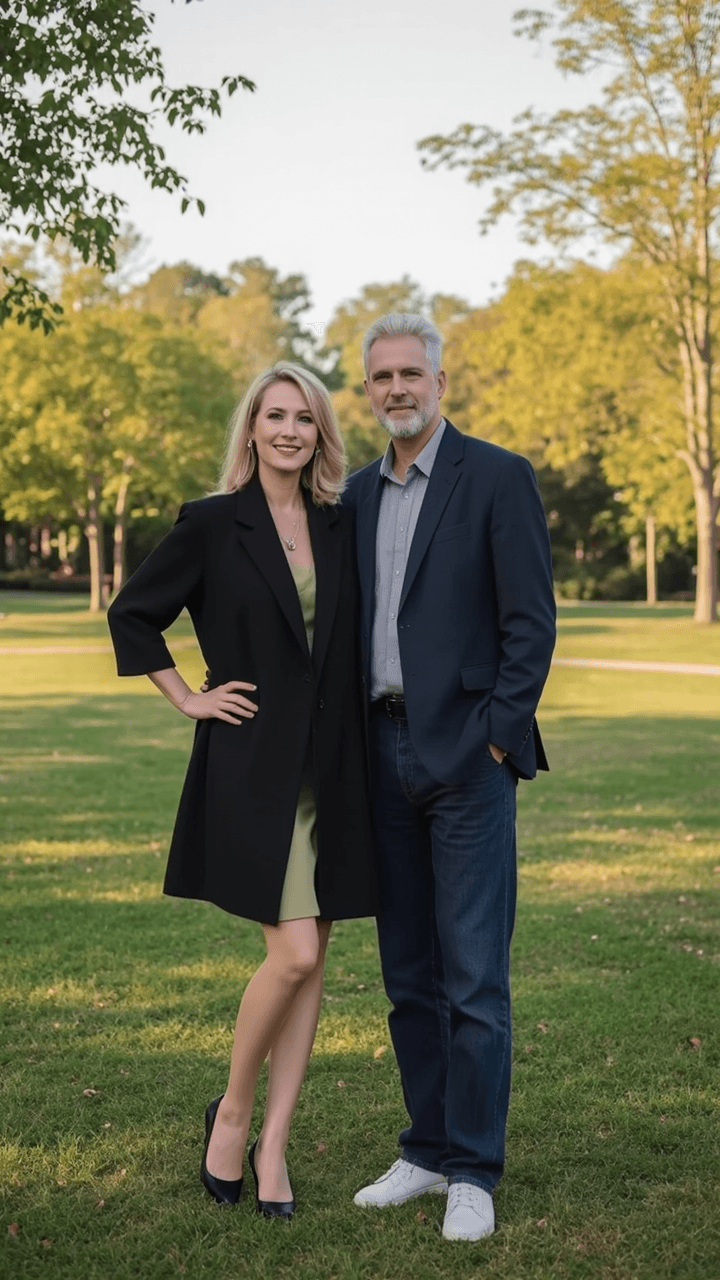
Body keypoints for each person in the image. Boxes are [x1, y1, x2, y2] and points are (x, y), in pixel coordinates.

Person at [107, 362, 376, 1219]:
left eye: (306, 418)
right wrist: (188, 695)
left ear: (321, 433)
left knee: (312, 962)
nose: (291, 431)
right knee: (292, 954)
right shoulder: (213, 524)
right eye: (276, 416)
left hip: (333, 768)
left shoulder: (341, 525)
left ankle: (274, 1148)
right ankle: (230, 1114)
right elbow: (133, 613)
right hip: (255, 767)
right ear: (252, 430)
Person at [343, 314, 556, 1242]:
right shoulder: (351, 496)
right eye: (381, 377)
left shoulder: (498, 477)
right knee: (408, 975)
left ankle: (473, 1168)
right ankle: (425, 1149)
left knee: (474, 978)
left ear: (439, 379)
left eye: (411, 373)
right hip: (377, 757)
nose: (397, 388)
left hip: (468, 762)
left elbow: (531, 625)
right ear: (366, 390)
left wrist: (497, 743)